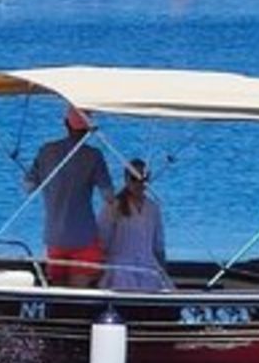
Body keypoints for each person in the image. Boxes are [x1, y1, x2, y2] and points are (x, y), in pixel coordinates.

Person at [24, 106, 114, 287]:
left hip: (55, 237)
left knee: (58, 292)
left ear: (66, 124)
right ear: (88, 129)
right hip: (84, 237)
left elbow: (29, 187)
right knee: (78, 294)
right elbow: (108, 196)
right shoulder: (93, 156)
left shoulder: (46, 151)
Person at [98, 159, 168, 291]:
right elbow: (102, 240)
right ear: (126, 179)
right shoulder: (113, 206)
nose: (139, 183)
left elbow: (158, 245)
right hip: (120, 268)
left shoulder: (153, 207)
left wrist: (163, 273)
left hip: (148, 267)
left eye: (143, 179)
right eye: (134, 179)